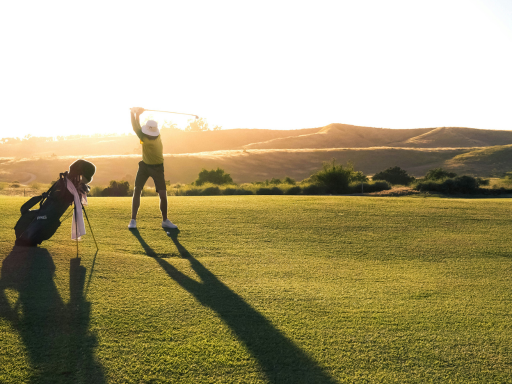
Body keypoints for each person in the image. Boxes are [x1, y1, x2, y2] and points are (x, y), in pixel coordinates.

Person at [128, 107, 177, 230]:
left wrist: (134, 113)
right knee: (137, 190)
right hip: (144, 166)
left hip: (158, 168)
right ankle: (133, 220)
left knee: (163, 194)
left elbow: (135, 127)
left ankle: (165, 220)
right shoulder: (155, 135)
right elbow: (137, 126)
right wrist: (136, 114)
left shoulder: (144, 137)